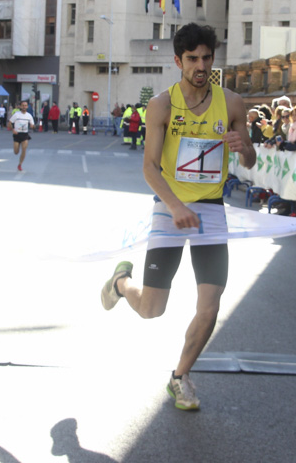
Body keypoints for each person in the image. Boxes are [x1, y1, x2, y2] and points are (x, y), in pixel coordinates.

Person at [100, 23, 255, 411]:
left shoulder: (233, 103)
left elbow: (250, 159)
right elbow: (150, 167)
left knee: (210, 305)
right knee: (152, 309)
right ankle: (121, 283)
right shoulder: (162, 106)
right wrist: (175, 206)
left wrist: (244, 147)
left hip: (211, 209)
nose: (200, 66)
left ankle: (180, 376)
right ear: (178, 61)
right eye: (192, 59)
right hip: (170, 207)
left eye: (206, 58)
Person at [9, 100, 34, 171]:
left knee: (24, 149)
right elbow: (9, 123)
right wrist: (13, 130)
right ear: (20, 106)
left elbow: (32, 124)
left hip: (25, 134)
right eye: (23, 105)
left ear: (27, 106)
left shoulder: (29, 115)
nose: (24, 107)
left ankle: (20, 164)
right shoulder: (16, 114)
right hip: (17, 134)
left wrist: (32, 126)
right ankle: (17, 148)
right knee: (16, 152)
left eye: (25, 105)